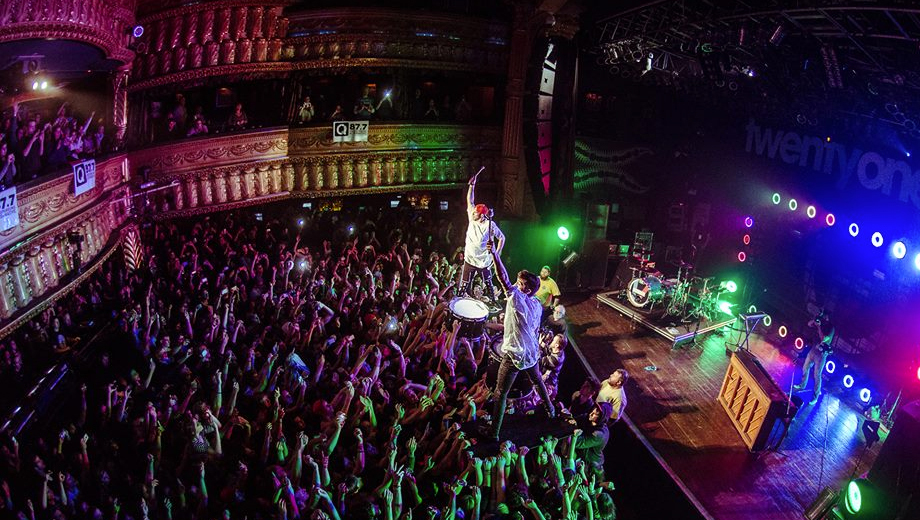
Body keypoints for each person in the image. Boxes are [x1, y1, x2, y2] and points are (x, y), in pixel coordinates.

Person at [481, 242, 555, 440]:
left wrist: (495, 254)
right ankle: (551, 411)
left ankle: (494, 433)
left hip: (514, 355)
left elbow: (502, 277)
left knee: (500, 393)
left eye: (520, 283)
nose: (516, 284)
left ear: (527, 288)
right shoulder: (537, 304)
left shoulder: (516, 298)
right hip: (531, 352)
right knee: (538, 381)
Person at [459, 170, 504, 303]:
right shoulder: (472, 218)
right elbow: (470, 200)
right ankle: (460, 300)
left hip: (483, 260)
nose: (472, 213)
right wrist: (472, 186)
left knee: (488, 283)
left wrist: (497, 253)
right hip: (470, 257)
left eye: (476, 213)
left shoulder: (490, 225)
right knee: (464, 283)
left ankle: (493, 301)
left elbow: (502, 238)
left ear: (482, 215)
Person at [793, 307, 836, 404]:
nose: (824, 316)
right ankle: (802, 385)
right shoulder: (821, 321)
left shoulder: (831, 328)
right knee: (805, 367)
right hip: (813, 349)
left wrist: (819, 327)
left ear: (828, 316)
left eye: (824, 315)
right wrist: (815, 319)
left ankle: (815, 397)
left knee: (817, 375)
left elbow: (824, 338)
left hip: (821, 354)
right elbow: (809, 324)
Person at [573, 402, 614, 480]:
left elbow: (578, 442)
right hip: (581, 454)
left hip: (590, 463)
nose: (591, 414)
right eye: (593, 410)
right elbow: (573, 419)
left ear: (602, 417)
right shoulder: (587, 417)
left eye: (596, 414)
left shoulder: (599, 434)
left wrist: (571, 429)